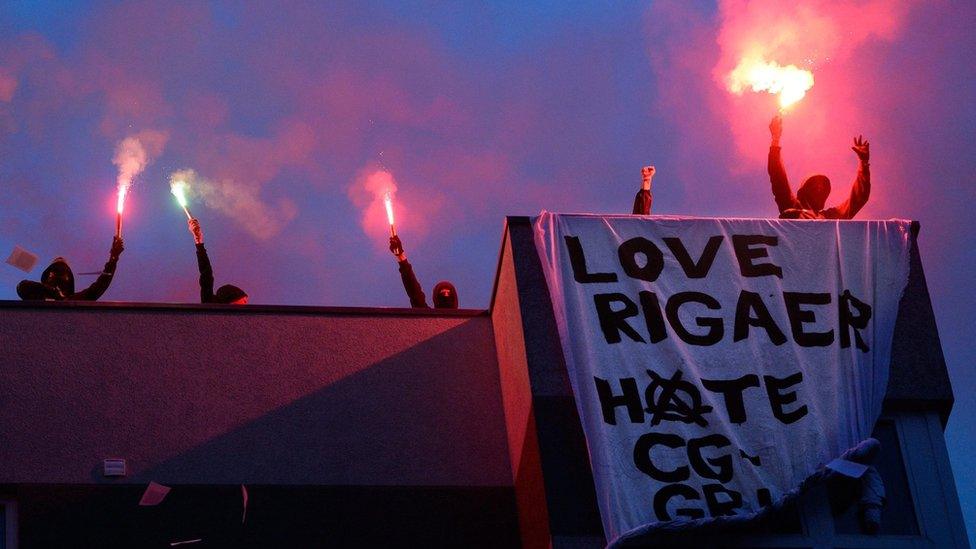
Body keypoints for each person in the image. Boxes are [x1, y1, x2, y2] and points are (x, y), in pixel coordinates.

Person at [768, 115, 871, 219]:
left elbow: (858, 198)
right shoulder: (792, 209)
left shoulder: (830, 217)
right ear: (804, 190)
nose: (819, 188)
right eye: (814, 185)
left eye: (823, 187)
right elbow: (778, 179)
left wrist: (864, 163)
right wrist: (775, 140)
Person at [16, 237, 124, 301]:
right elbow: (22, 287)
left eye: (63, 272)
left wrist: (113, 258)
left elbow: (100, 286)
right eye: (55, 271)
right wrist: (53, 292)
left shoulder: (74, 301)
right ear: (47, 277)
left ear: (69, 280)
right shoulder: (37, 298)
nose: (58, 275)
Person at [188, 219, 248, 304]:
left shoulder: (246, 317)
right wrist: (199, 242)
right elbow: (206, 275)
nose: (247, 304)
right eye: (244, 301)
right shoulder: (210, 309)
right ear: (233, 299)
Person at [388, 235, 458, 309]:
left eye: (448, 293)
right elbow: (414, 292)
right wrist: (400, 256)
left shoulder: (467, 319)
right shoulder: (427, 317)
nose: (446, 296)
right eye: (442, 293)